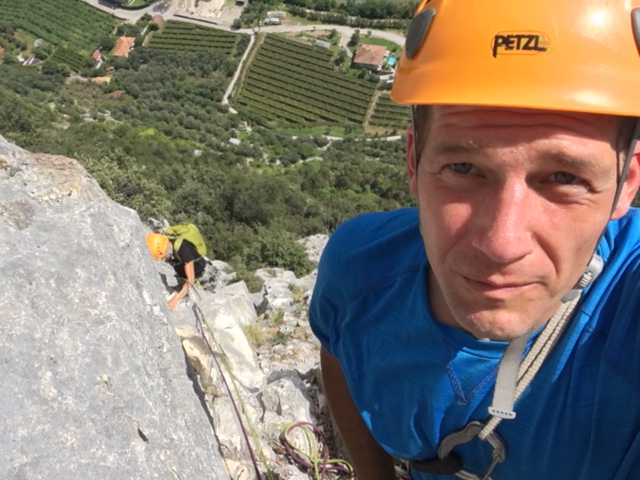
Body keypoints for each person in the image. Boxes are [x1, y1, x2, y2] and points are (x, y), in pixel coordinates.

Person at [309, 1, 640, 479]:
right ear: (413, 162)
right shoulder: (357, 269)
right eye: (463, 168)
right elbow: (339, 349)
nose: (502, 244)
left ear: (627, 184)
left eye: (564, 177)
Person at [146, 224, 216, 309]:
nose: (163, 260)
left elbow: (190, 280)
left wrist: (174, 300)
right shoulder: (169, 247)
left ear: (165, 247)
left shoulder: (182, 248)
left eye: (163, 256)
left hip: (206, 278)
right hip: (189, 277)